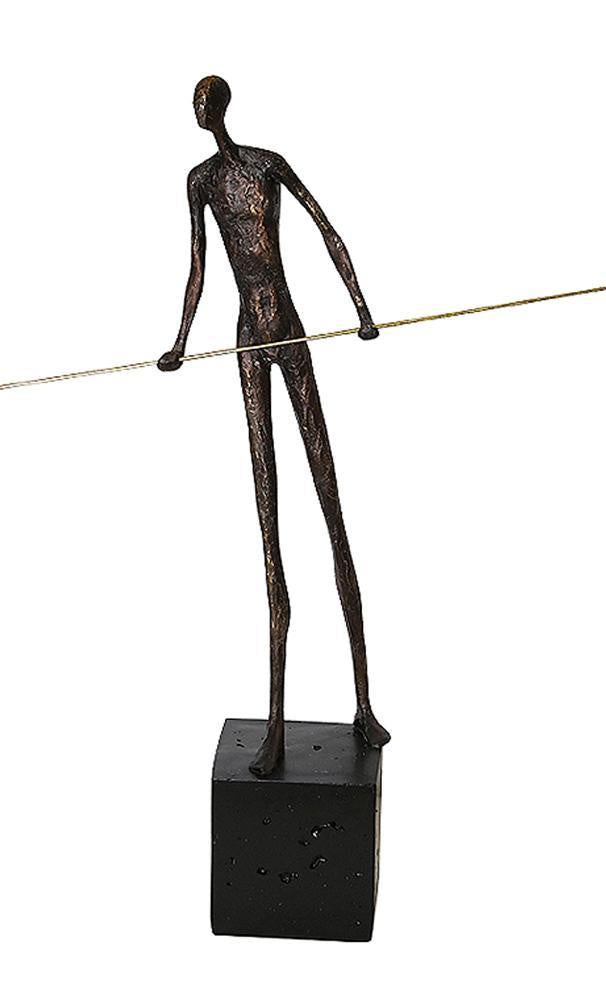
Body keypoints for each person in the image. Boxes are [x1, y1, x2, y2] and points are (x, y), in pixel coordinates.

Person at [158, 76, 390, 776]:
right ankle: (276, 728)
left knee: (330, 506)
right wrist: (179, 342)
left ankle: (363, 704)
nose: (199, 112)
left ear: (219, 106)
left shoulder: (266, 165)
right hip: (247, 344)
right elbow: (198, 267)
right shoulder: (200, 181)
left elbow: (326, 230)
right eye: (195, 104)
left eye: (204, 101)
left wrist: (361, 309)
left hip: (286, 332)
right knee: (270, 523)